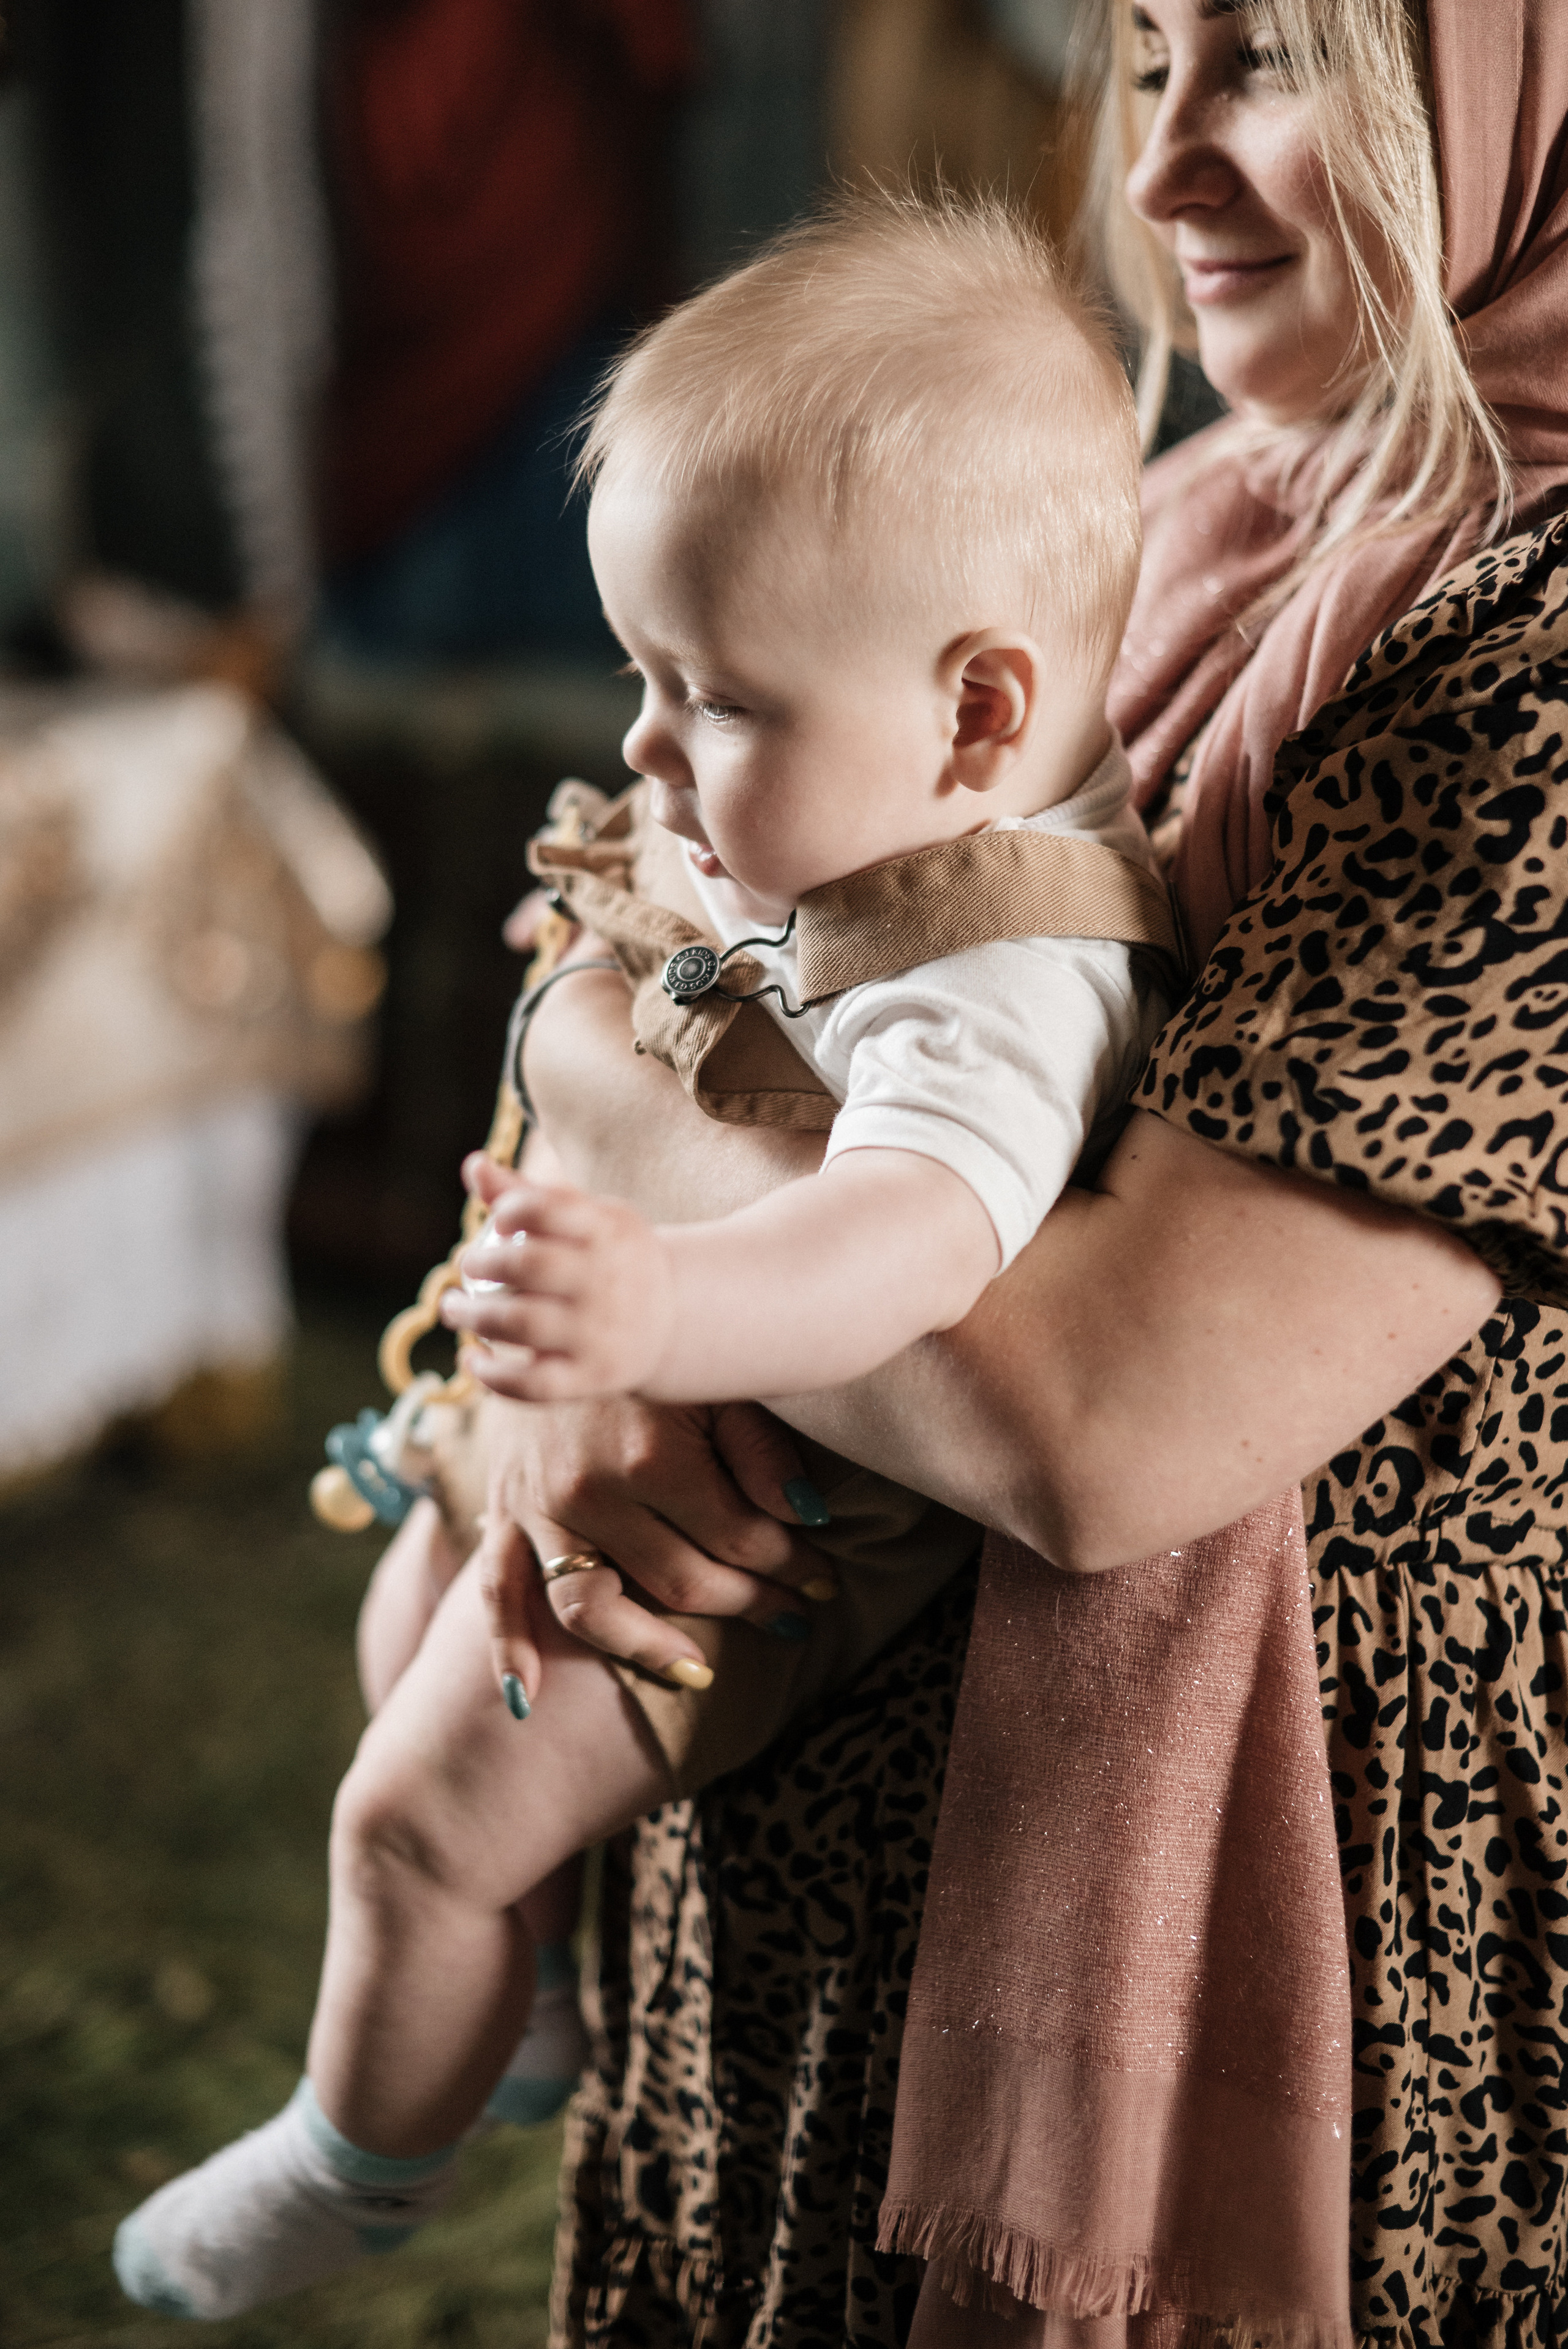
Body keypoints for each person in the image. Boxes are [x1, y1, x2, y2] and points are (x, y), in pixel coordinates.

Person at [434, 3, 1568, 2344]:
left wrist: (621, 1183)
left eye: (1271, 60)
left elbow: (1102, 1421)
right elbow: (638, 910)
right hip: (815, 1843)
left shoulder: (1540, 653)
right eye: (1147, 59)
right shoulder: (1177, 518)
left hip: (1270, 1945)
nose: (1160, 170)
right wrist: (539, 1385)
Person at [111, 193, 1174, 2323]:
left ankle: (355, 2158)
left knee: (407, 1822)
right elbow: (661, 952)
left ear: (980, 717)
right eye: (644, 677)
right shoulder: (873, 816)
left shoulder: (1001, 972)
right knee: (417, 1593)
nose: (646, 749)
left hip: (767, 1523)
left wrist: (664, 1303)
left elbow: (916, 1239)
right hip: (677, 1412)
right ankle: (506, 2014)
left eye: (712, 696)